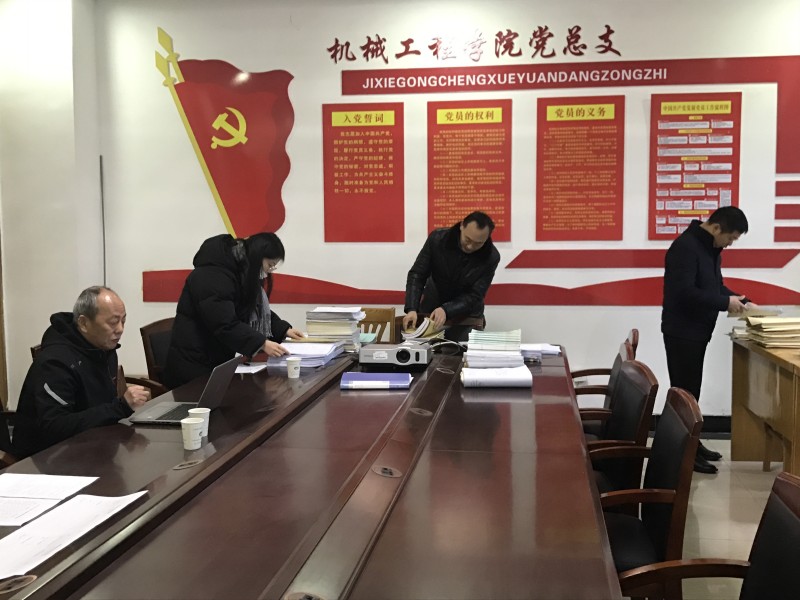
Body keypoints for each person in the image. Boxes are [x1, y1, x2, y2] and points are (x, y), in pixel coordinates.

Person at [662, 206, 757, 474]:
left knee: (692, 393)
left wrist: (742, 300)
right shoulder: (686, 248)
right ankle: (684, 453)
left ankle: (693, 444)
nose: (730, 244)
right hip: (682, 331)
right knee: (685, 394)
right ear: (716, 228)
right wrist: (725, 303)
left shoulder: (710, 249)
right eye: (731, 238)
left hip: (697, 331)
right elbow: (684, 292)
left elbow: (714, 287)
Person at [12, 287, 151, 458]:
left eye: (123, 321)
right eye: (113, 322)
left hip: (93, 445)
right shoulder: (55, 362)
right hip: (46, 459)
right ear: (84, 323)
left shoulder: (104, 349)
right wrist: (121, 407)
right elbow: (55, 427)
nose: (120, 329)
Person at [163, 232, 304, 388]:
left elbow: (253, 309)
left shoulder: (239, 271)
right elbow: (224, 323)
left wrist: (283, 330)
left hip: (215, 360)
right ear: (257, 256)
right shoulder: (212, 275)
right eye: (270, 265)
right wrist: (261, 343)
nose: (268, 272)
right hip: (194, 367)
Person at [402, 211, 501, 335]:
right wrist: (412, 308)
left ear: (487, 238)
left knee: (462, 346)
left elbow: (475, 295)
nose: (470, 247)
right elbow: (417, 274)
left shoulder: (491, 257)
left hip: (467, 317)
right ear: (462, 226)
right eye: (467, 239)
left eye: (478, 243)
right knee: (424, 346)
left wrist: (446, 309)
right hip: (432, 308)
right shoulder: (438, 240)